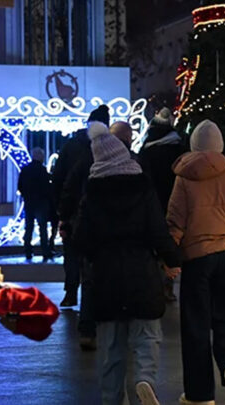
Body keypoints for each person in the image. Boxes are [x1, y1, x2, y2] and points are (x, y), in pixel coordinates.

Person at [73, 121, 181, 405]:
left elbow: (81, 241)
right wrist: (172, 260)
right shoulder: (142, 186)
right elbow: (158, 230)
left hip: (107, 278)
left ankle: (112, 399)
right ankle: (144, 379)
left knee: (111, 349)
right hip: (142, 274)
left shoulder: (92, 194)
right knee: (147, 337)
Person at [166, 120, 225, 405]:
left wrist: (169, 256)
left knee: (196, 326)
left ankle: (200, 395)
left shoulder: (185, 177)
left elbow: (175, 220)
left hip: (198, 258)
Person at [53, 105, 110, 350]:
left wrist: (62, 214)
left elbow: (62, 181)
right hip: (101, 218)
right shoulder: (108, 151)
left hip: (77, 215)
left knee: (74, 257)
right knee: (94, 268)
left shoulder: (72, 147)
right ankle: (95, 320)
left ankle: (70, 292)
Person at [138, 109, 188, 302]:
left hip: (153, 204)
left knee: (155, 246)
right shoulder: (180, 150)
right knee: (172, 244)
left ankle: (156, 284)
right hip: (176, 204)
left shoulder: (146, 151)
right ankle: (169, 284)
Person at [17, 147, 53, 262]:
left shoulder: (25, 170)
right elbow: (47, 188)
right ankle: (45, 251)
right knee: (43, 228)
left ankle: (28, 250)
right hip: (41, 203)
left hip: (29, 203)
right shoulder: (43, 171)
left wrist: (26, 195)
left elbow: (20, 186)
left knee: (29, 227)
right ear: (41, 157)